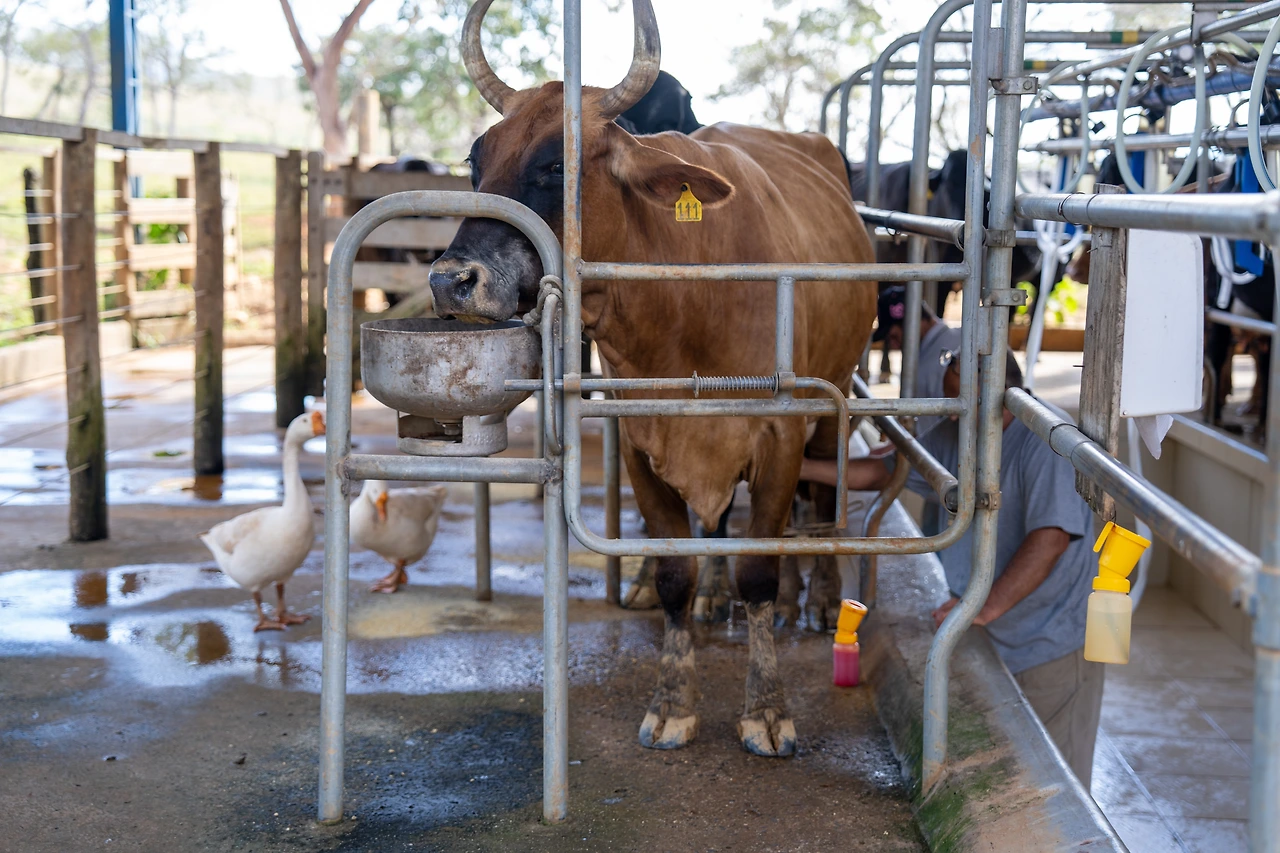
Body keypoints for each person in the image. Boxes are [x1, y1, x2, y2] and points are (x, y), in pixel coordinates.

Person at [801, 348, 1104, 787]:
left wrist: (983, 605)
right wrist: (798, 466)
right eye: (949, 404)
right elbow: (885, 471)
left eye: (959, 404)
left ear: (994, 393)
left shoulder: (1046, 438)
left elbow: (1051, 539)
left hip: (1046, 643)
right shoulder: (964, 427)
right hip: (993, 636)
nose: (950, 416)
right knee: (1006, 775)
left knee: (1057, 782)